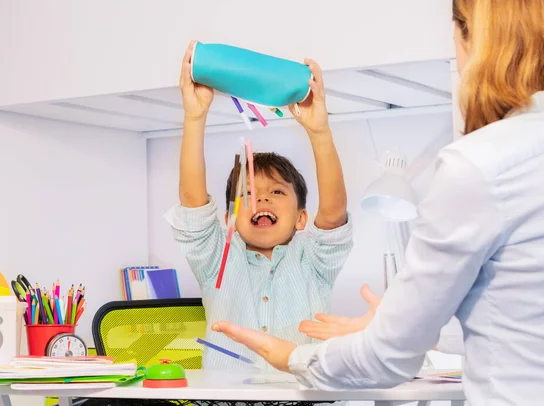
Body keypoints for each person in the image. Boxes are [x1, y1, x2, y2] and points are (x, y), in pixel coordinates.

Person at [212, 0, 544, 403]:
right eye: (248, 193)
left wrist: (296, 357)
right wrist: (394, 324)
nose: (260, 199)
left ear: (469, 35)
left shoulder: (480, 164)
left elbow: (390, 356)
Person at [165, 41, 353, 370]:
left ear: (301, 218)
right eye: (248, 194)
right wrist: (195, 116)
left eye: (278, 193)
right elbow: (193, 202)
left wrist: (319, 131)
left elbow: (334, 215)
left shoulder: (314, 262)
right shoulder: (216, 259)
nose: (262, 198)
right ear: (229, 219)